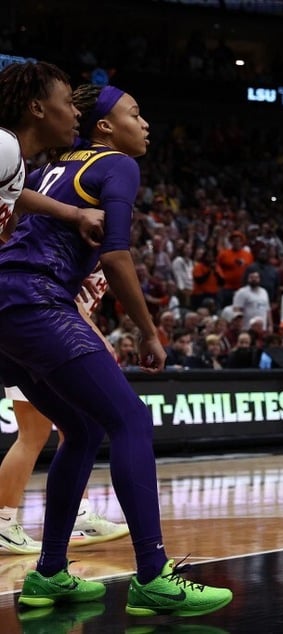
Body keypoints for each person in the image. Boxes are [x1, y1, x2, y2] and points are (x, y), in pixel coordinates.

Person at [0, 81, 232, 614]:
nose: (145, 123)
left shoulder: (41, 170)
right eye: (135, 113)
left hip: (7, 308)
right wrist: (149, 332)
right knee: (132, 420)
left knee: (81, 429)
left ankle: (50, 573)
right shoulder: (117, 165)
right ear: (105, 127)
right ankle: (153, 574)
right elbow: (115, 256)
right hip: (37, 300)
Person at [0, 60, 125, 555]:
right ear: (37, 107)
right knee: (53, 431)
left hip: (23, 313)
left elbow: (21, 196)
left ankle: (68, 518)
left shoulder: (26, 168)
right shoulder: (6, 145)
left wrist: (72, 211)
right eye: (64, 102)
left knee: (70, 428)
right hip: (32, 312)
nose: (72, 111)